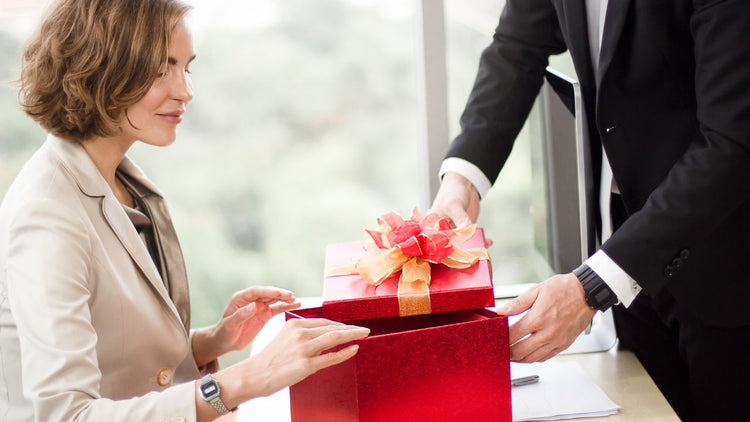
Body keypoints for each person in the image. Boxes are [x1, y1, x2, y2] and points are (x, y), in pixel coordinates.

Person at [0, 0, 370, 420]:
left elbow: (118, 362)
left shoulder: (125, 184)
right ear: (98, 69)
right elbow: (66, 414)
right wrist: (244, 380)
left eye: (185, 67)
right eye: (161, 70)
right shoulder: (46, 215)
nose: (185, 90)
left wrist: (209, 342)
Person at [430, 0, 750, 421]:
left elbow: (733, 143)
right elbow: (517, 46)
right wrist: (463, 180)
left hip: (728, 257)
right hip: (621, 246)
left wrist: (593, 286)